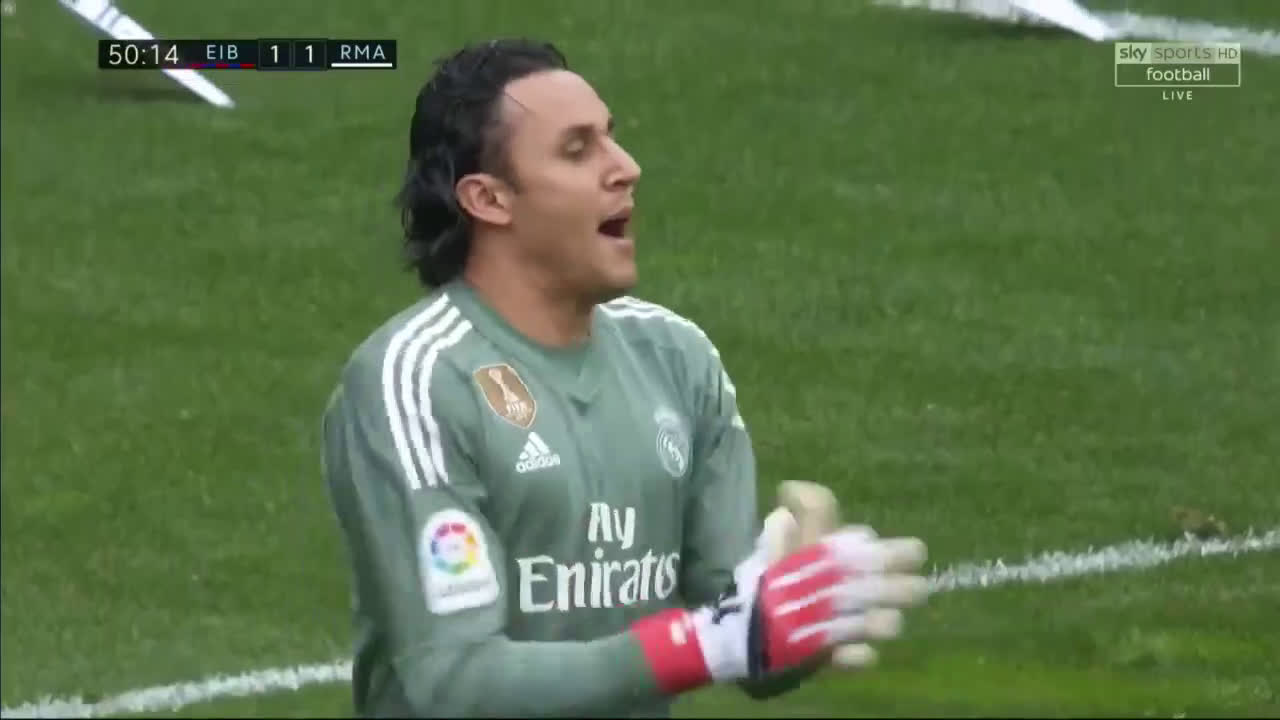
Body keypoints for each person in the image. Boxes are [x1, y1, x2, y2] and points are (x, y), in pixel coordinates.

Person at [320, 37, 929, 718]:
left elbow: (735, 632)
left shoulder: (675, 358)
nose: (626, 167)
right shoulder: (417, 379)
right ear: (489, 199)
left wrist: (794, 617)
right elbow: (454, 682)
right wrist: (705, 643)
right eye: (577, 150)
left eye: (611, 137)